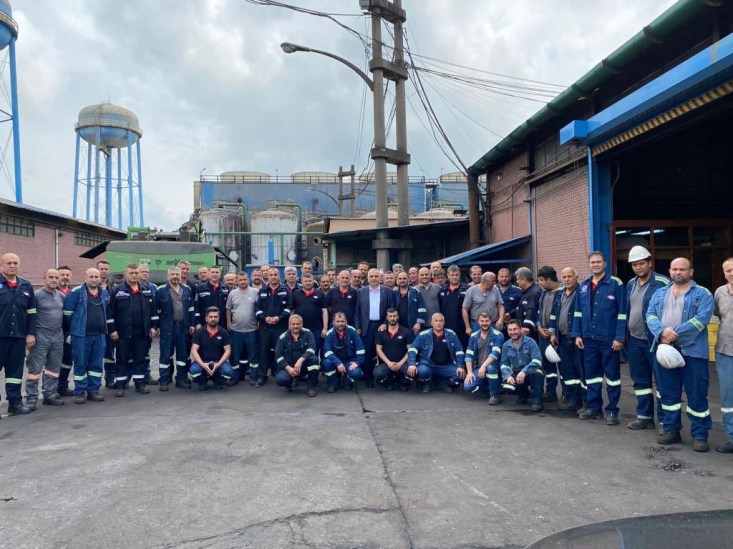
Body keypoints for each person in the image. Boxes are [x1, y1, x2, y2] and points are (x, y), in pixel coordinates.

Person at [647, 257, 713, 452]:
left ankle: (700, 435)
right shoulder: (659, 293)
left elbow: (702, 319)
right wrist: (662, 331)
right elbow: (650, 315)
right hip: (665, 349)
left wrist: (673, 333)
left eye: (682, 269)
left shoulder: (703, 294)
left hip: (693, 351)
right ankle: (671, 429)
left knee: (697, 393)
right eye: (674, 269)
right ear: (669, 271)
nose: (678, 272)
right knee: (667, 392)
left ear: (691, 272)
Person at [571, 252, 626, 425]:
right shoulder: (583, 286)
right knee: (592, 376)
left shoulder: (616, 284)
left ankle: (612, 411)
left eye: (598, 262)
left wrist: (619, 337)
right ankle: (594, 408)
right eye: (592, 262)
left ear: (605, 264)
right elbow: (578, 312)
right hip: (589, 339)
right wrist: (577, 334)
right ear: (589, 265)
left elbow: (622, 313)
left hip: (609, 340)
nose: (595, 265)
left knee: (612, 377)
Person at [625, 246, 670, 430]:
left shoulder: (663, 282)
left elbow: (670, 309)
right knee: (641, 381)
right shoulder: (631, 284)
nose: (638, 267)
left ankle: (665, 421)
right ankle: (644, 417)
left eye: (641, 263)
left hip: (655, 341)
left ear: (650, 263)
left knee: (662, 382)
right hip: (634, 340)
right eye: (634, 264)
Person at [108, 263, 158, 397]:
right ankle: (120, 386)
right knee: (122, 360)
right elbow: (110, 312)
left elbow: (153, 311)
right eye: (131, 273)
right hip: (123, 333)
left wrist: (154, 327)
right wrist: (112, 330)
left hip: (142, 333)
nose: (134, 275)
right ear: (126, 274)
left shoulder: (146, 290)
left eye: (136, 273)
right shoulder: (117, 290)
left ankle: (139, 384)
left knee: (140, 359)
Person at [63, 268, 110, 404]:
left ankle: (93, 391)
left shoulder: (104, 293)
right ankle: (80, 392)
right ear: (85, 277)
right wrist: (73, 330)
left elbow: (106, 311)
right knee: (80, 364)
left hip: (99, 335)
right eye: (91, 277)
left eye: (96, 277)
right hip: (81, 335)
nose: (94, 279)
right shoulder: (76, 293)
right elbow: (67, 315)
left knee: (96, 365)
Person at [0, 253, 37, 416]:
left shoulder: (26, 285)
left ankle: (15, 403)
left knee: (15, 374)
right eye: (9, 263)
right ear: (1, 265)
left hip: (18, 337)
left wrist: (31, 334)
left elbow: (32, 312)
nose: (12, 266)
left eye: (15, 263)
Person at [25, 269, 65, 409]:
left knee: (53, 367)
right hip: (40, 334)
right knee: (35, 368)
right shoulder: (36, 296)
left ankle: (50, 395)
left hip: (57, 334)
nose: (54, 279)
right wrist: (30, 334)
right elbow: (29, 316)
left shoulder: (61, 296)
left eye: (56, 277)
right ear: (44, 278)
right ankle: (31, 398)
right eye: (50, 277)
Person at [549, 268, 586, 412]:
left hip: (577, 339)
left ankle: (585, 401)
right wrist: (553, 332)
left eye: (570, 276)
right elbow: (554, 315)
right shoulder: (559, 293)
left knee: (581, 370)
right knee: (567, 370)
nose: (567, 279)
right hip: (562, 338)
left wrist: (579, 335)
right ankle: (572, 399)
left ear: (577, 277)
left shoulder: (582, 292)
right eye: (564, 277)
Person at [156, 266, 195, 391]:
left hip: (183, 327)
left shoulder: (187, 289)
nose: (175, 276)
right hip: (167, 327)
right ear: (168, 276)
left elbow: (191, 309)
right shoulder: (161, 290)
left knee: (182, 355)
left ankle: (181, 379)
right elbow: (156, 310)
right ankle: (164, 380)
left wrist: (192, 324)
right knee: (165, 354)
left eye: (177, 274)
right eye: (172, 274)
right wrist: (156, 326)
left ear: (180, 275)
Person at [355, 268, 395, 387]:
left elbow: (392, 309)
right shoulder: (361, 292)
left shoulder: (387, 291)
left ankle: (385, 379)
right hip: (366, 327)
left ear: (380, 278)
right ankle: (369, 378)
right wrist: (358, 327)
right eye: (371, 276)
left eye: (376, 276)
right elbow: (357, 312)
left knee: (384, 352)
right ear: (368, 278)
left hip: (381, 326)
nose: (374, 278)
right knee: (367, 353)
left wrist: (385, 323)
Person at [408, 313, 466, 393]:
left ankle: (443, 383)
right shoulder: (423, 335)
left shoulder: (451, 334)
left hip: (446, 366)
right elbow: (412, 349)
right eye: (436, 321)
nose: (438, 323)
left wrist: (460, 366)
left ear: (444, 323)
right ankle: (426, 383)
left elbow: (459, 351)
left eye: (440, 321)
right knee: (423, 371)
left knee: (460, 375)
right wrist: (412, 364)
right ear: (432, 323)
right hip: (427, 365)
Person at [254, 268, 292, 386]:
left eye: (275, 274)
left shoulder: (286, 291)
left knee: (280, 351)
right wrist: (264, 318)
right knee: (263, 352)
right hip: (265, 327)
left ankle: (279, 373)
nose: (273, 277)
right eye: (271, 275)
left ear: (279, 276)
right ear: (267, 276)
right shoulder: (261, 291)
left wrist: (279, 318)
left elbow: (289, 308)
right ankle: (262, 376)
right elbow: (256, 308)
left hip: (280, 326)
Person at [500, 319, 545, 412]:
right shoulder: (506, 345)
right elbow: (504, 364)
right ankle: (523, 393)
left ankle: (537, 401)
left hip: (532, 372)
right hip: (517, 373)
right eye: (510, 330)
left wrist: (524, 371)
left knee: (538, 374)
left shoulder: (530, 342)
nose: (512, 332)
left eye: (515, 329)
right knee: (506, 386)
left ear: (521, 329)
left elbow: (537, 360)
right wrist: (507, 376)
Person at [189, 307, 235, 390]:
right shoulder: (199, 332)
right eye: (210, 317)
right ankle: (202, 381)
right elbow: (194, 350)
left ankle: (218, 380)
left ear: (219, 318)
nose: (213, 319)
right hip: (203, 361)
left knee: (228, 371)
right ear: (206, 319)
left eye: (215, 317)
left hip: (218, 362)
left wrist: (218, 364)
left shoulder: (224, 332)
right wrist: (203, 364)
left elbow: (228, 350)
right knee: (194, 370)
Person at [714, 257, 733, 453]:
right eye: (728, 270)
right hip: (725, 352)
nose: (731, 273)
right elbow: (717, 316)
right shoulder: (720, 292)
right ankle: (732, 437)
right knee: (728, 399)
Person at [226, 271, 259, 383]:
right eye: (240, 280)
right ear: (236, 281)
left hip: (252, 329)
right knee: (235, 355)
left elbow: (259, 308)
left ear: (248, 279)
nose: (242, 281)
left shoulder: (255, 292)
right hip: (236, 330)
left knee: (253, 355)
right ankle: (236, 376)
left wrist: (258, 323)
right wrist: (229, 323)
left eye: (244, 279)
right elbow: (228, 309)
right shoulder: (232, 293)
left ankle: (253, 376)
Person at [463, 312, 504, 402]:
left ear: (491, 321)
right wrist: (469, 372)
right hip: (478, 367)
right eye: (482, 321)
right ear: (478, 322)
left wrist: (484, 366)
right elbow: (468, 355)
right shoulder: (473, 336)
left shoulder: (498, 335)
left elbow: (495, 354)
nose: (484, 323)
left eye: (487, 321)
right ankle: (489, 387)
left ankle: (494, 395)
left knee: (490, 368)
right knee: (467, 386)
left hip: (494, 366)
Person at [275, 314, 319, 397]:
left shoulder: (308, 333)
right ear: (289, 325)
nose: (296, 326)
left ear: (302, 324)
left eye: (298, 324)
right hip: (289, 366)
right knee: (281, 379)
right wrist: (288, 368)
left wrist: (300, 360)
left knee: (314, 360)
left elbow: (312, 349)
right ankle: (289, 384)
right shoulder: (283, 337)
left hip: (304, 365)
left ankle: (311, 386)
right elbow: (278, 356)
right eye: (293, 324)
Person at [322, 312, 365, 392]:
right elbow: (327, 351)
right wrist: (338, 363)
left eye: (342, 321)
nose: (340, 324)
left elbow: (360, 349)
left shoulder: (352, 331)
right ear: (333, 322)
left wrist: (357, 362)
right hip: (335, 361)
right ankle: (333, 382)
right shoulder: (329, 333)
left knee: (356, 373)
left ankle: (347, 380)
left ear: (346, 321)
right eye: (338, 321)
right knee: (326, 363)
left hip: (349, 361)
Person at [536, 266, 560, 403]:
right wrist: (539, 326)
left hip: (557, 336)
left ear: (549, 280)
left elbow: (560, 315)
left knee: (563, 366)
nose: (539, 283)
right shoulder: (544, 293)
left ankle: (568, 394)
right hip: (543, 334)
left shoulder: (562, 293)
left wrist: (552, 331)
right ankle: (551, 391)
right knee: (547, 365)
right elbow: (539, 312)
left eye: (541, 280)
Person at [374, 308, 415, 391]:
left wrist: (400, 363)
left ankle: (402, 382)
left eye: (394, 316)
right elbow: (378, 349)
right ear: (387, 318)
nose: (392, 318)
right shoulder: (381, 332)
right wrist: (389, 363)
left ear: (398, 317)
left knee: (413, 372)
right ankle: (389, 381)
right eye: (390, 316)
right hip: (386, 364)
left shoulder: (406, 332)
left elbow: (410, 350)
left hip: (402, 364)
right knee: (377, 373)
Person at [292, 272, 328, 359]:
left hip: (316, 328)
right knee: (300, 350)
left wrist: (325, 328)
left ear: (313, 281)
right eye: (306, 281)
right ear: (302, 282)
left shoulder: (319, 293)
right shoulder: (296, 294)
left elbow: (324, 311)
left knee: (315, 350)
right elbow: (292, 311)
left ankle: (314, 366)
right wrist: (290, 327)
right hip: (300, 328)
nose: (308, 283)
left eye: (310, 281)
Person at [462, 272, 505, 337]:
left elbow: (500, 305)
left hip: (493, 324)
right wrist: (467, 327)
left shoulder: (495, 289)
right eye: (493, 281)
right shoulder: (471, 290)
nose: (495, 283)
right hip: (477, 324)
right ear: (486, 281)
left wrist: (501, 319)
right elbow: (465, 309)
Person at [439, 265, 469, 349]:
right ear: (448, 275)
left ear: (460, 275)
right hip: (447, 326)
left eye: (456, 275)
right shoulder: (442, 290)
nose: (454, 277)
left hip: (462, 327)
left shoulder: (467, 289)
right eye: (452, 275)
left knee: (462, 348)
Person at [138, 263, 158, 385]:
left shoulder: (153, 288)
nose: (145, 273)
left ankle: (146, 375)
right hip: (133, 327)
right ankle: (127, 378)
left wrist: (155, 326)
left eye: (147, 271)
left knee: (145, 353)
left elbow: (155, 308)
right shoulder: (129, 287)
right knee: (130, 354)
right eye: (142, 271)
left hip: (147, 327)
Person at [56, 265, 75, 397]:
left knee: (67, 361)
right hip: (54, 332)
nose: (65, 277)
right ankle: (50, 389)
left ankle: (62, 386)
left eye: (67, 275)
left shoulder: (74, 293)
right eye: (62, 274)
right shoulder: (51, 292)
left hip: (69, 333)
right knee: (52, 362)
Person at [97, 259, 116, 389]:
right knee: (95, 356)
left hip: (110, 328)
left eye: (106, 269)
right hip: (96, 327)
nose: (103, 271)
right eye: (101, 269)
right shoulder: (90, 286)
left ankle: (110, 379)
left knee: (109, 355)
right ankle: (94, 383)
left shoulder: (113, 287)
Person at [394, 271, 426, 335]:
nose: (402, 280)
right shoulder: (394, 293)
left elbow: (422, 308)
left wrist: (418, 323)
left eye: (404, 278)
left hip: (413, 325)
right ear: (397, 280)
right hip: (398, 325)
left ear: (408, 279)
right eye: (400, 279)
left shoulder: (416, 292)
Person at [514, 267, 542, 340]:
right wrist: (510, 314)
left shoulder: (534, 292)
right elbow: (521, 307)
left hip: (530, 331)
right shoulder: (525, 292)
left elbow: (531, 309)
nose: (517, 281)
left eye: (518, 279)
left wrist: (527, 326)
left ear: (523, 279)